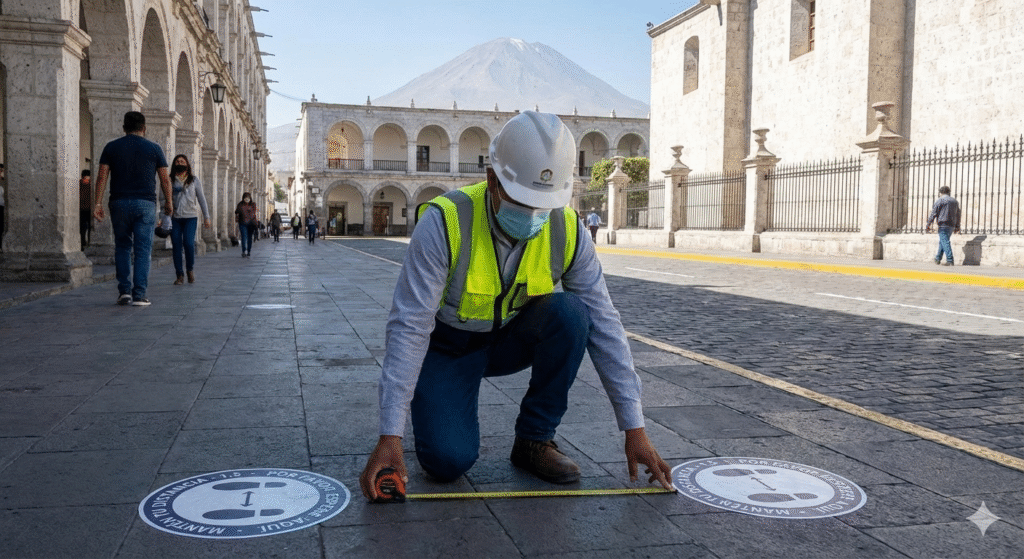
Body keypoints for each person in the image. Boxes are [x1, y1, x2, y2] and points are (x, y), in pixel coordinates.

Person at [359, 111, 672, 502]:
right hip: (447, 348)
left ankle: (534, 440)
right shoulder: (445, 222)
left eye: (544, 205)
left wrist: (635, 428)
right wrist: (390, 435)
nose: (532, 216)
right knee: (447, 462)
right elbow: (409, 327)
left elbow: (606, 324)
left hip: (510, 340)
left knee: (573, 314)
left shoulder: (568, 229)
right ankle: (444, 406)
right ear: (492, 180)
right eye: (523, 201)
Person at [92, 111, 172, 306]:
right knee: (143, 249)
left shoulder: (111, 147)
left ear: (124, 128)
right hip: (145, 204)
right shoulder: (154, 148)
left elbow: (102, 176)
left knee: (122, 246)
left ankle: (124, 292)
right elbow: (164, 179)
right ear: (144, 129)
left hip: (119, 202)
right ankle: (139, 294)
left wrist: (97, 203)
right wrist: (169, 202)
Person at [166, 154, 211, 284]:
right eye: (178, 161)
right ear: (174, 164)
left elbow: (202, 199)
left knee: (189, 243)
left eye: (182, 161)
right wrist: (162, 217)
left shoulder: (194, 180)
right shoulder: (169, 180)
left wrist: (206, 217)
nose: (180, 163)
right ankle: (179, 275)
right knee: (176, 245)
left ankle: (190, 269)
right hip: (175, 217)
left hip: (191, 216)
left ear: (187, 164)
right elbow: (163, 199)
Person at [925, 185, 961, 266]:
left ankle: (950, 260)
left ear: (941, 192)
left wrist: (928, 224)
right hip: (952, 225)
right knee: (943, 241)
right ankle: (937, 258)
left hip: (943, 224)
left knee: (945, 241)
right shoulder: (955, 201)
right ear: (949, 192)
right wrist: (957, 226)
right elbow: (958, 214)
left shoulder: (940, 200)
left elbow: (933, 213)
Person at [235, 192, 258, 257]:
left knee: (249, 237)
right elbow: (236, 212)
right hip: (242, 223)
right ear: (243, 198)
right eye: (245, 198)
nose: (247, 199)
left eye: (248, 198)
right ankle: (244, 251)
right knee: (244, 237)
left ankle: (249, 250)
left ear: (250, 198)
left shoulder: (253, 204)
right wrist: (241, 208)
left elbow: (254, 212)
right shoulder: (240, 204)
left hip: (251, 223)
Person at [79, 170, 92, 248]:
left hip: (81, 209)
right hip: (89, 208)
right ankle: (89, 242)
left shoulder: (79, 183)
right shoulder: (91, 184)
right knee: (90, 227)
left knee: (82, 227)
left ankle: (82, 243)